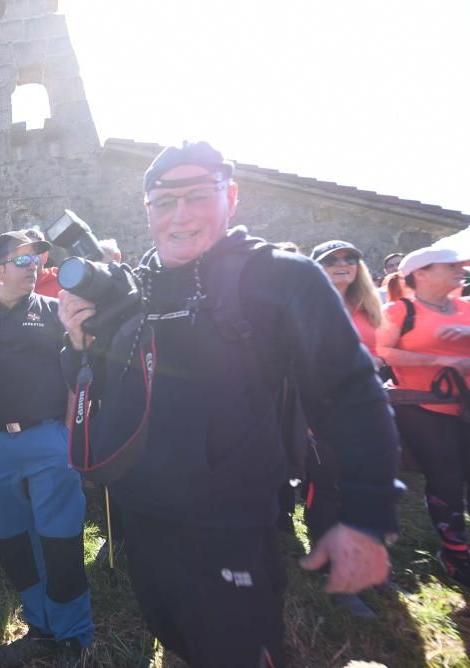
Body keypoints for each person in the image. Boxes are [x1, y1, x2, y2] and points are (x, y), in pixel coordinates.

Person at [58, 142, 399, 666]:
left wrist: (366, 515)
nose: (180, 215)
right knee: (172, 635)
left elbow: (351, 394)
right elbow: (101, 384)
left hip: (230, 522)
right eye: (164, 202)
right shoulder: (138, 288)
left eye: (198, 196)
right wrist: (78, 344)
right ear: (147, 211)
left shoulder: (279, 278)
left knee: (234, 649)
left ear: (231, 196)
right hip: (145, 516)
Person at [0, 230, 93, 667]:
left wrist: (72, 431)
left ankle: (73, 636)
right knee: (14, 542)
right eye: (22, 260)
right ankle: (41, 627)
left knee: (61, 539)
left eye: (36, 259)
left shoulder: (55, 312)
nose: (33, 266)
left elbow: (78, 368)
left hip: (49, 439)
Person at [379, 246, 470, 585]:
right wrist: (441, 361)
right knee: (446, 479)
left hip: (466, 404)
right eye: (451, 266)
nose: (460, 271)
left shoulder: (466, 308)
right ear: (422, 273)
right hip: (421, 406)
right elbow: (383, 352)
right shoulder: (400, 311)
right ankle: (456, 553)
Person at [308, 240, 387, 617]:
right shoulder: (305, 309)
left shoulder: (369, 308)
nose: (343, 265)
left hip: (366, 413)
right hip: (321, 413)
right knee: (326, 491)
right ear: (315, 268)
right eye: (331, 260)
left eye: (350, 258)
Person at [23, 229, 60, 299]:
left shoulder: (63, 280)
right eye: (22, 253)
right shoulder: (11, 291)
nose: (28, 257)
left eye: (34, 252)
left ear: (45, 256)